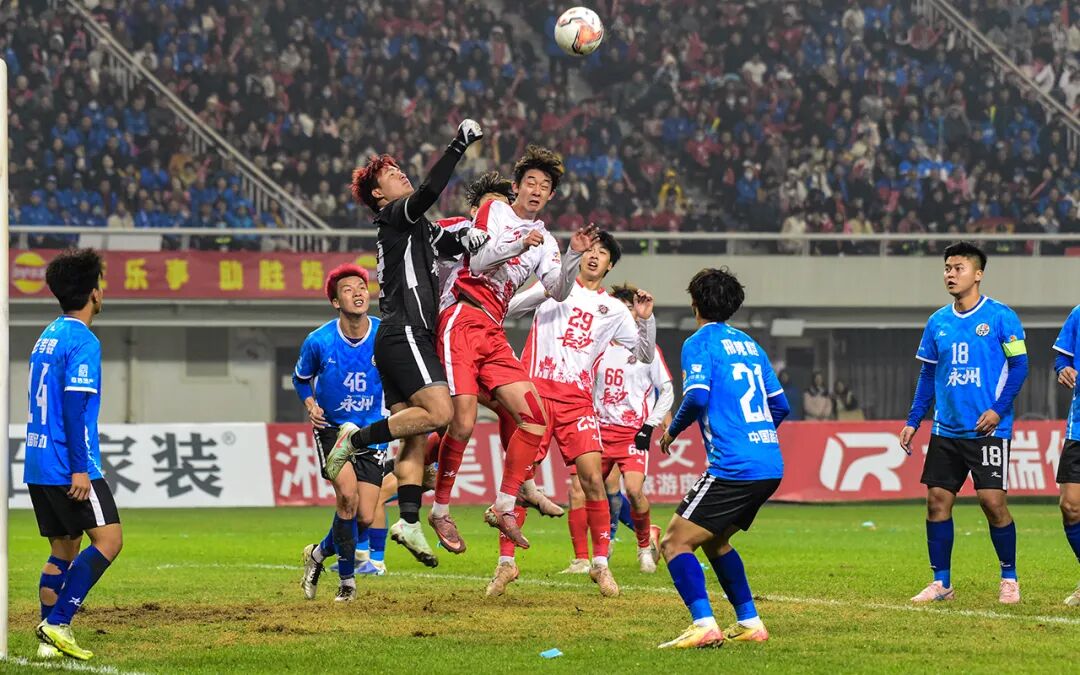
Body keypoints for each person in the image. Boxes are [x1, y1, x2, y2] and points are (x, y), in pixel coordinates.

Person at [329, 120, 489, 568]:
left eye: (399, 168)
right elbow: (428, 193)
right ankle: (356, 439)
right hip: (407, 333)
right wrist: (458, 145)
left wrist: (468, 237)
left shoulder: (414, 227)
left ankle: (410, 521)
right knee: (441, 414)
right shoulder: (396, 214)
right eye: (391, 173)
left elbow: (447, 242)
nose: (401, 173)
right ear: (378, 194)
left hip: (397, 337)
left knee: (415, 437)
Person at [431, 148, 598, 553]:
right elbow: (478, 260)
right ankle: (440, 510)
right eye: (531, 183)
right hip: (462, 315)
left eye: (545, 186)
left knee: (534, 417)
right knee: (463, 420)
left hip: (493, 328)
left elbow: (558, 289)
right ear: (517, 186)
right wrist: (520, 243)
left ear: (551, 195)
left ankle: (505, 504)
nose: (537, 190)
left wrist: (573, 256)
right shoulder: (495, 210)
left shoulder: (547, 240)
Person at [490, 232, 656, 598]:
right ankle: (506, 563)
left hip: (578, 402)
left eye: (603, 252)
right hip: (535, 395)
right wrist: (547, 288)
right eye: (590, 249)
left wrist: (645, 320)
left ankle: (600, 564)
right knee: (521, 481)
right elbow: (508, 309)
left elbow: (644, 354)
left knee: (592, 479)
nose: (594, 256)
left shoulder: (614, 309)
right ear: (579, 254)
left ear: (610, 265)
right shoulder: (553, 287)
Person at [657, 267, 790, 649]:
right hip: (769, 463)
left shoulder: (699, 342)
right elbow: (781, 405)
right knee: (715, 542)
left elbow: (697, 396)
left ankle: (703, 624)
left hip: (734, 467)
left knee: (674, 543)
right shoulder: (751, 345)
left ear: (695, 303)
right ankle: (750, 622)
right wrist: (753, 437)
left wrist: (672, 431)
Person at [900, 242, 1028, 605]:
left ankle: (1009, 578)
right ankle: (941, 583)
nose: (950, 274)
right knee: (937, 501)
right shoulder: (937, 322)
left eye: (958, 268)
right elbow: (928, 375)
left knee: (992, 502)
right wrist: (914, 419)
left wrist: (998, 410)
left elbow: (1020, 366)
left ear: (978, 274)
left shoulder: (1001, 317)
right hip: (946, 429)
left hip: (989, 430)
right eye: (947, 268)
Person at [27, 248, 122, 661]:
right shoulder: (84, 340)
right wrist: (80, 470)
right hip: (69, 463)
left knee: (63, 549)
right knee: (110, 540)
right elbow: (73, 407)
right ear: (93, 294)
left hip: (38, 460)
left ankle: (47, 642)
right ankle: (58, 622)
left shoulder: (47, 335)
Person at [562, 282, 673, 575]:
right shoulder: (596, 347)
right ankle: (583, 558)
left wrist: (654, 423)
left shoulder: (647, 351)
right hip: (598, 429)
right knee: (581, 489)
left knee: (633, 491)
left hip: (631, 433)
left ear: (635, 314)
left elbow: (665, 389)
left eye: (627, 310)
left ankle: (643, 544)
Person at [297, 264, 390, 601]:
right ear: (336, 302)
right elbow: (300, 379)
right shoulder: (319, 341)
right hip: (333, 430)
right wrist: (310, 404)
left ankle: (319, 553)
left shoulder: (383, 334)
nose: (358, 293)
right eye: (348, 290)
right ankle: (347, 583)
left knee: (364, 516)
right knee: (347, 498)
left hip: (373, 431)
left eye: (362, 287)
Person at [1051, 305, 1080, 606]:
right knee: (1070, 506)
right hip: (1079, 428)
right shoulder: (1078, 314)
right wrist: (1063, 369)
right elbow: (1062, 357)